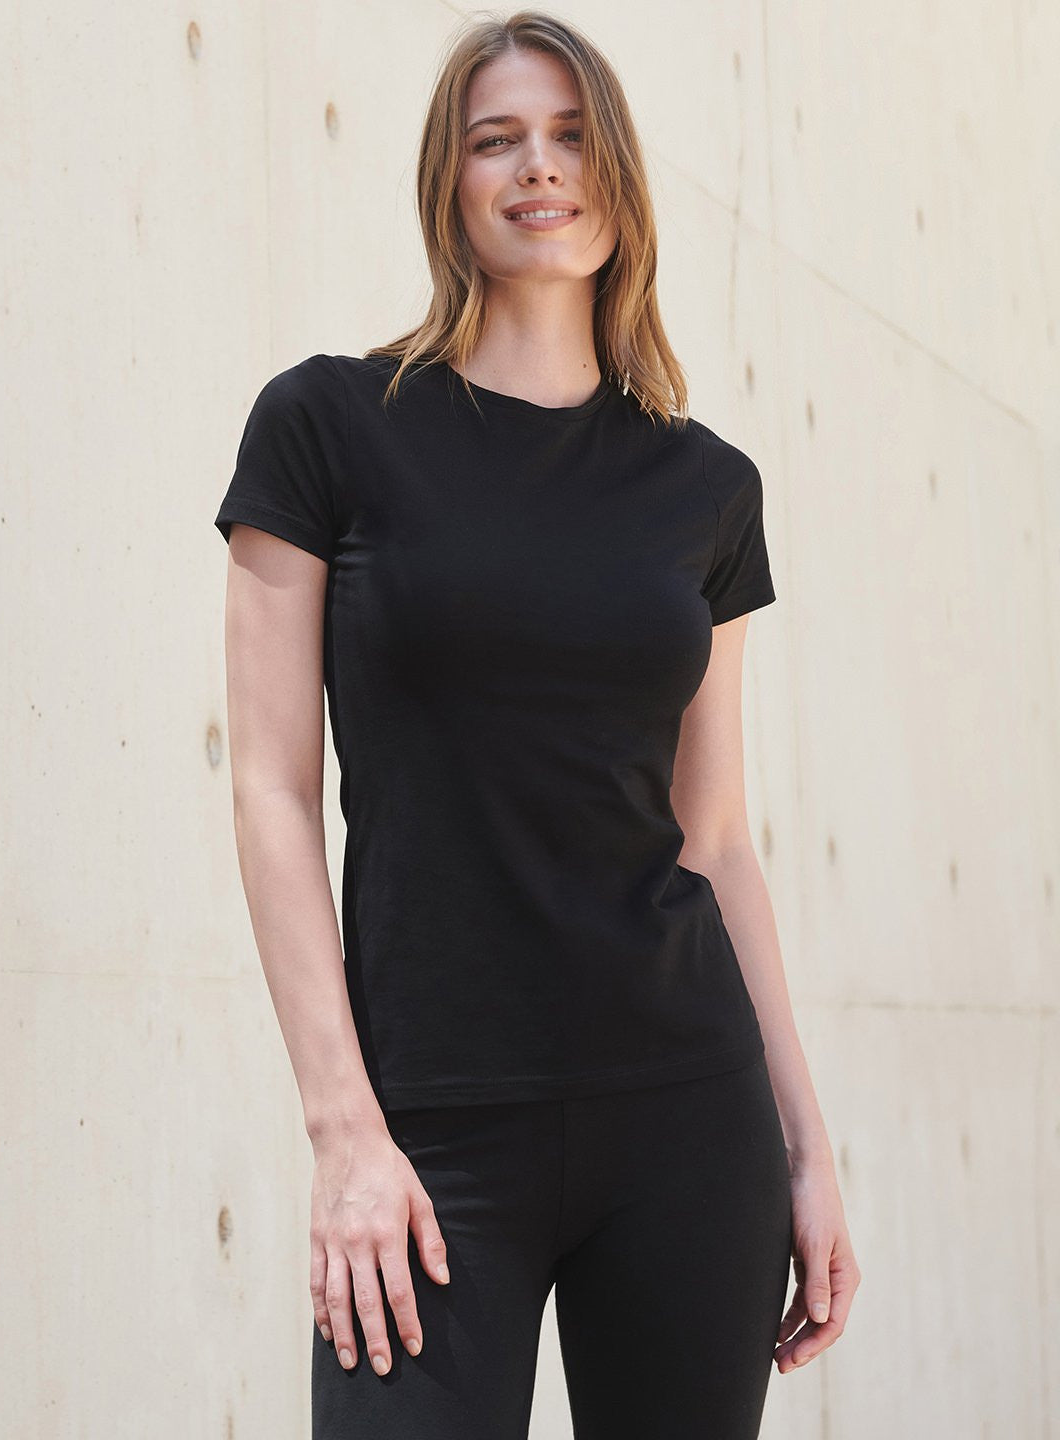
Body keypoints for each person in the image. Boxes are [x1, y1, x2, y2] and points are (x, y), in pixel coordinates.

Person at [214, 11, 860, 1438]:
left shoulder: (707, 489)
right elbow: (269, 789)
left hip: (687, 1111)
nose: (537, 167)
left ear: (617, 175)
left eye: (570, 136)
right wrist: (343, 1130)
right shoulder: (326, 428)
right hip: (429, 1133)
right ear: (448, 182)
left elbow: (715, 839)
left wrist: (808, 1146)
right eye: (495, 140)